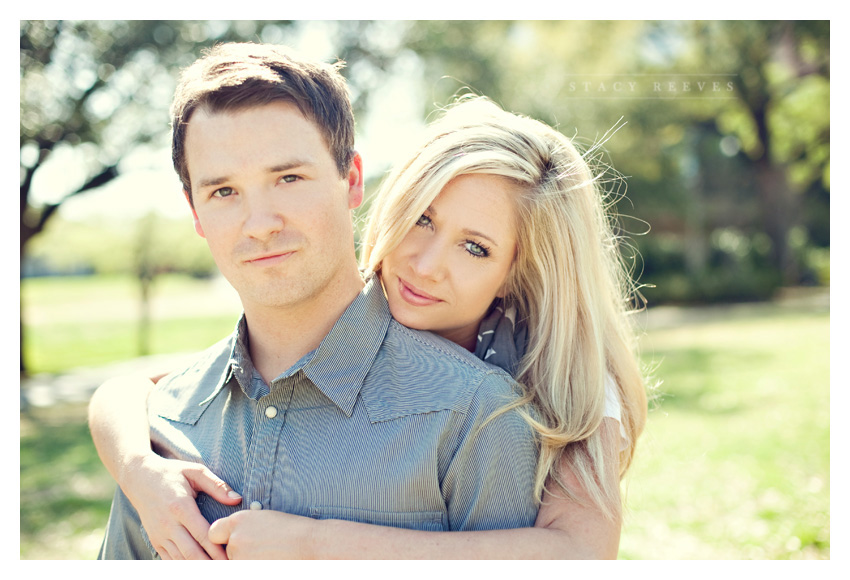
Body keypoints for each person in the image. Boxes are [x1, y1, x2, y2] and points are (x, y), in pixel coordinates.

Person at [90, 50, 649, 560]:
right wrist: (137, 464)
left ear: (350, 180)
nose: (260, 225)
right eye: (223, 191)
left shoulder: (505, 405)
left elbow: (580, 552)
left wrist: (316, 545)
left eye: (289, 177)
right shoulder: (166, 428)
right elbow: (142, 387)